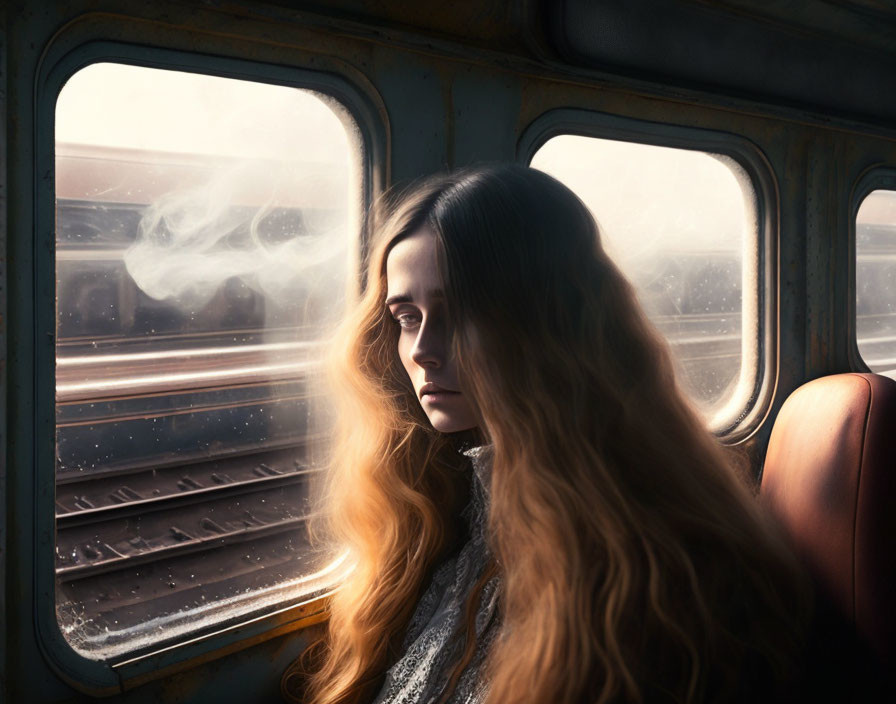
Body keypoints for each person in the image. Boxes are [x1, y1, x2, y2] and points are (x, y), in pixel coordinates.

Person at [282, 165, 811, 704]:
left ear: (546, 326)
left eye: (458, 312)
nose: (421, 349)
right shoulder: (439, 516)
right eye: (406, 317)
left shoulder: (658, 569)